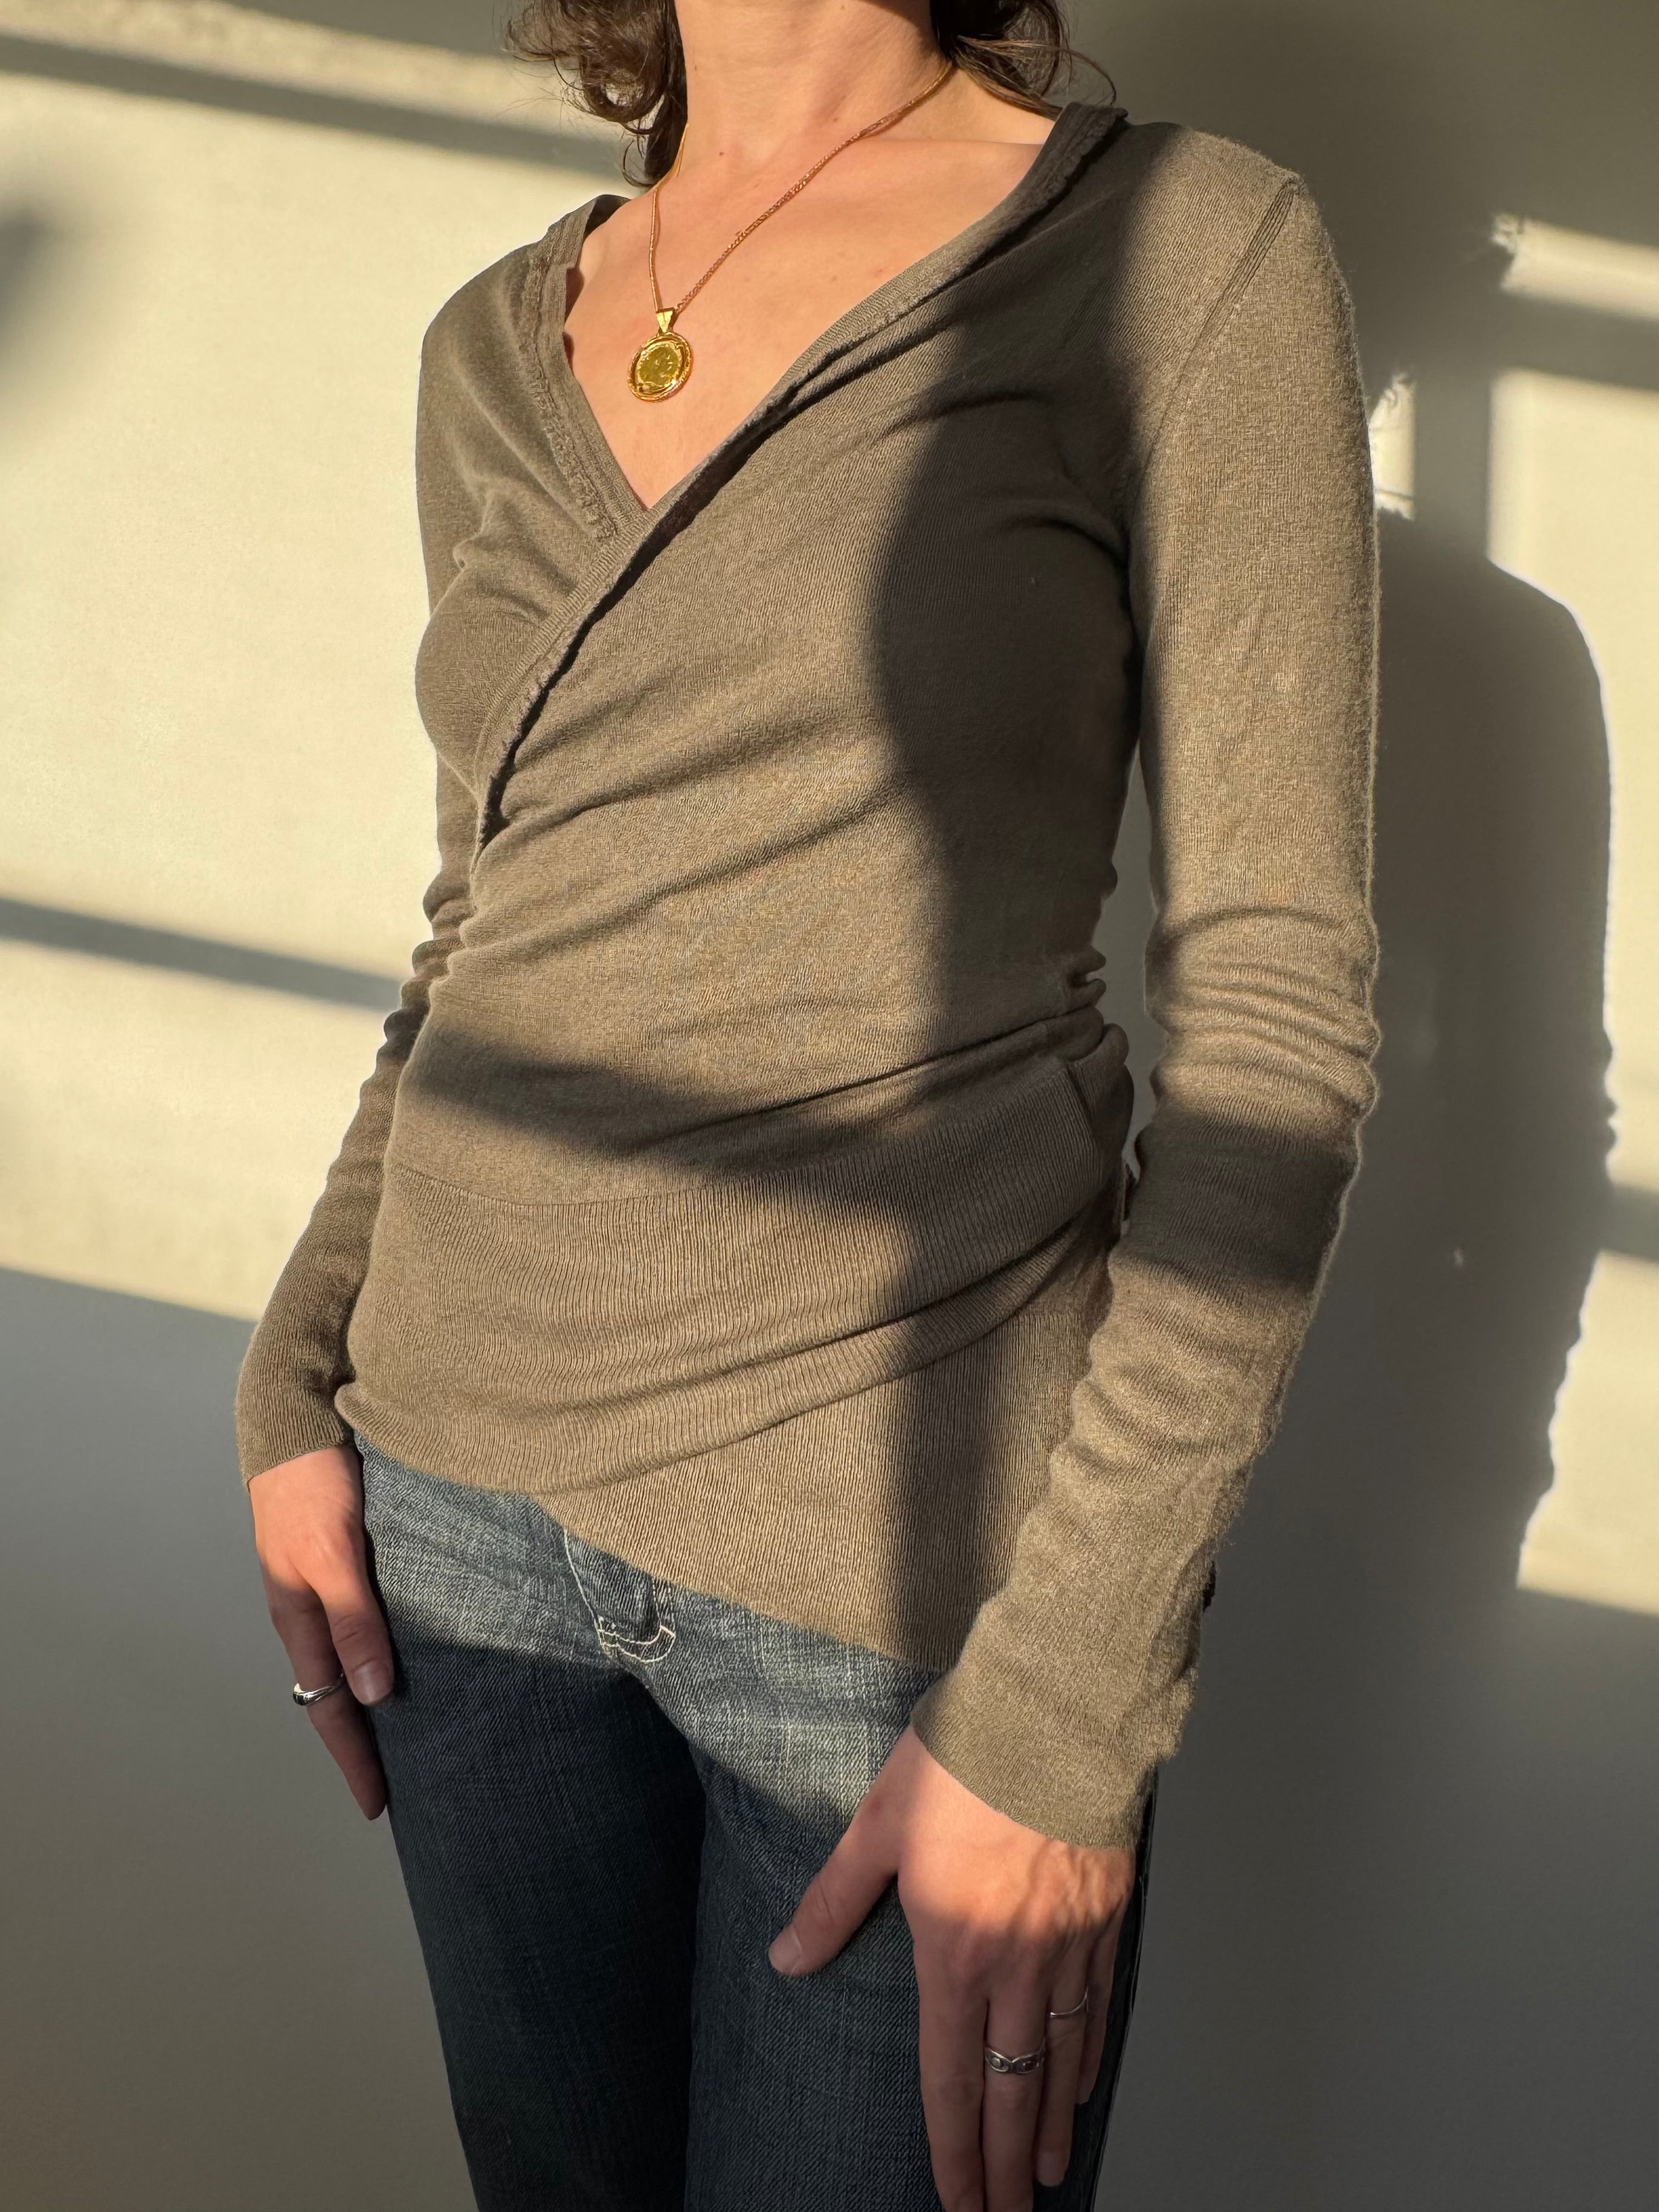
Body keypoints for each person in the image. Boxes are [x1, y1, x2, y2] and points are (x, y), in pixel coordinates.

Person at [239, 1, 1382, 2207]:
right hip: (446, 1518)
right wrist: (295, 1372)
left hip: (896, 1579)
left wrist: (1069, 1702)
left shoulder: (1181, 250)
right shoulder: (489, 343)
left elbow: (1275, 1014)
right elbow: (489, 927)